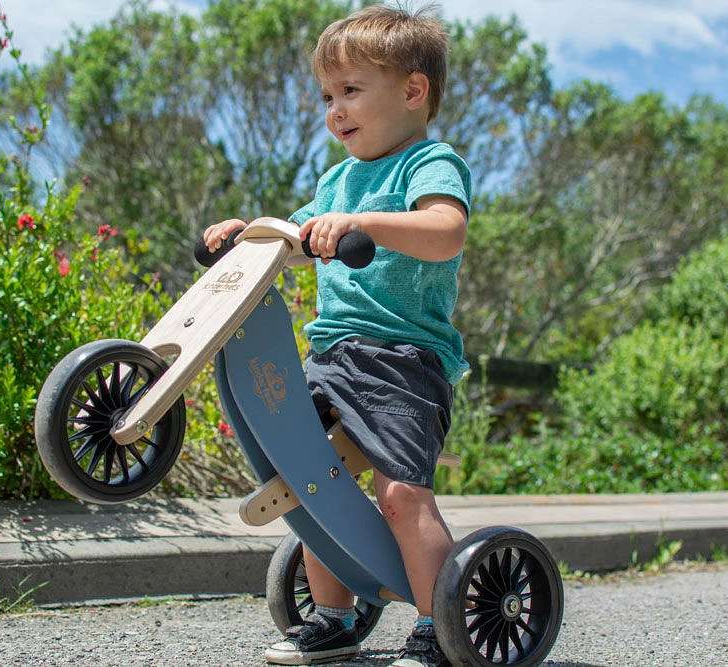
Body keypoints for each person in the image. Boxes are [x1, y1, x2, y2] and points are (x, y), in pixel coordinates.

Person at [204, 4, 470, 666]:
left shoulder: (428, 162)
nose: (335, 110)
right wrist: (245, 235)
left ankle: (441, 623)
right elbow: (291, 242)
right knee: (307, 473)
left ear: (413, 90)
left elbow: (446, 231)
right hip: (332, 357)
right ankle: (333, 616)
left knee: (401, 493)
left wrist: (367, 222)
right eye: (328, 95)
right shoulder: (334, 181)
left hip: (404, 361)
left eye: (351, 90)